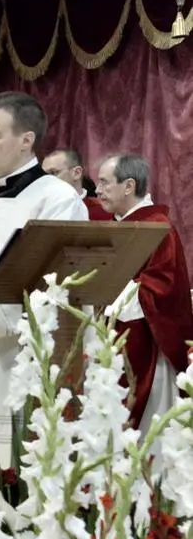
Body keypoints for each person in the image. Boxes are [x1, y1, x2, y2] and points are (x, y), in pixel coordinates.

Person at [0, 91, 88, 474]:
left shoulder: (58, 200)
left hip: (17, 359)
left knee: (14, 475)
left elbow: (53, 286)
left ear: (27, 139)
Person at [96, 153, 193, 432]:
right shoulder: (125, 224)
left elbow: (160, 288)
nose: (97, 189)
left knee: (150, 434)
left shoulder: (154, 226)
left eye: (104, 182)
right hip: (119, 339)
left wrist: (104, 288)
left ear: (128, 186)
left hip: (148, 343)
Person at [43, 148, 111, 220]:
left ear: (77, 173)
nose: (46, 180)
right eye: (43, 175)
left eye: (53, 173)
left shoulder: (103, 211)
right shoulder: (39, 210)